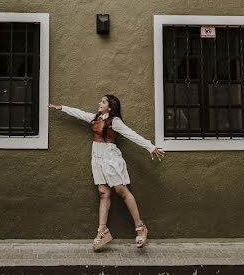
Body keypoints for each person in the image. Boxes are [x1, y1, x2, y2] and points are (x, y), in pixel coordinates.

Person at [49, 95, 166, 250]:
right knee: (103, 192)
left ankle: (140, 227)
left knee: (121, 190)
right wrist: (62, 108)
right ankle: (103, 231)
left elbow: (131, 134)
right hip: (96, 157)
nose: (99, 103)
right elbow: (80, 113)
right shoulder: (95, 117)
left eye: (103, 102)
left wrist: (150, 147)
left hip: (111, 157)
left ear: (110, 107)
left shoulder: (115, 122)